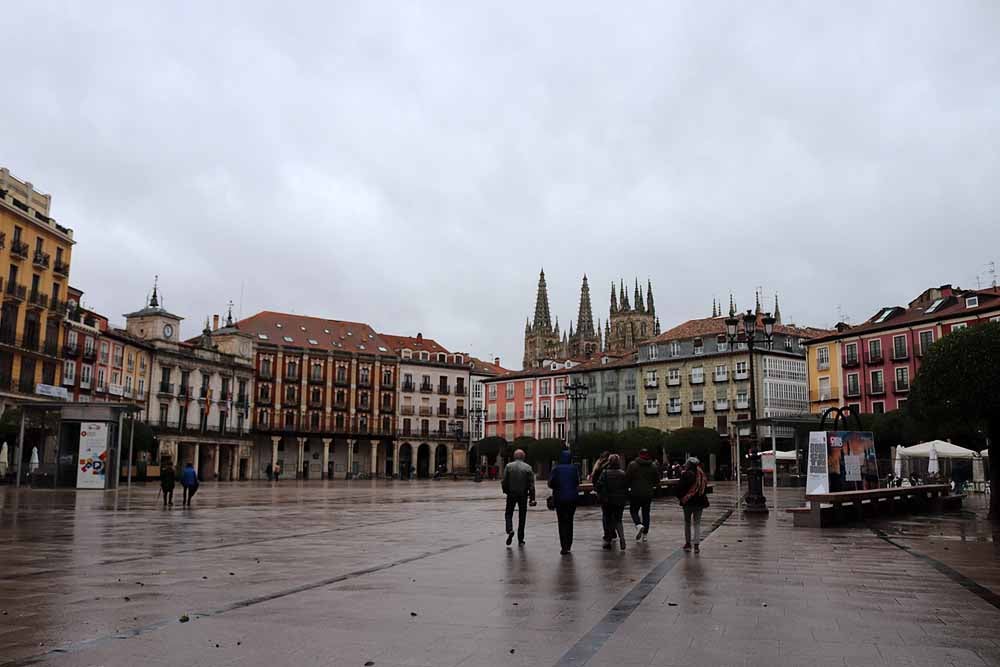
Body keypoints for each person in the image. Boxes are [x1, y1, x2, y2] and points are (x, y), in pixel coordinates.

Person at [501, 449, 536, 546]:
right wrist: (532, 498)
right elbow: (531, 485)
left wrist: (506, 491)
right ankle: (521, 539)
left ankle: (510, 529)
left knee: (508, 513)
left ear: (514, 456)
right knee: (522, 516)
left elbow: (504, 481)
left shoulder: (508, 466)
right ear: (523, 457)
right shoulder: (528, 467)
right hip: (523, 495)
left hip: (511, 494)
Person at [548, 449, 580, 555]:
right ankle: (569, 544)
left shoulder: (556, 469)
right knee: (569, 521)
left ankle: (564, 546)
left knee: (561, 522)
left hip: (560, 498)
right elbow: (577, 482)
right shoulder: (574, 469)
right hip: (572, 498)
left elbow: (551, 483)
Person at [625, 449, 660, 541]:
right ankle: (645, 535)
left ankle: (638, 524)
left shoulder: (632, 465)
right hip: (648, 493)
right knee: (646, 513)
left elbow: (627, 478)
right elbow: (657, 480)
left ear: (639, 454)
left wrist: (629, 487)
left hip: (635, 493)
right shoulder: (653, 466)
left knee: (633, 511)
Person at [677, 457, 709, 553]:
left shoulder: (685, 474)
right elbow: (705, 489)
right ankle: (696, 545)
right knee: (697, 523)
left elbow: (679, 488)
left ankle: (688, 544)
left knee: (687, 523)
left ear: (689, 464)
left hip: (688, 502)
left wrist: (681, 498)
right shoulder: (702, 475)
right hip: (699, 502)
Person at [596, 454, 628, 550]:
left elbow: (599, 486)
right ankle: (622, 537)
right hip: (619, 501)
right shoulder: (623, 473)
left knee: (607, 519)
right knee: (618, 520)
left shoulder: (605, 473)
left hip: (607, 501)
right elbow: (626, 487)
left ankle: (608, 540)